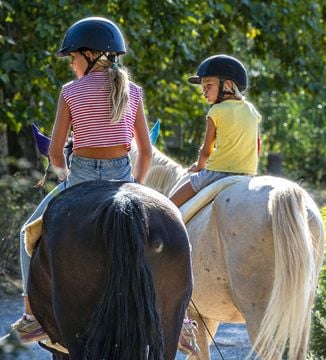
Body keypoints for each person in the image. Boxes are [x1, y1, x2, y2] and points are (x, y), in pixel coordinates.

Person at [11, 16, 152, 342]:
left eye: (73, 58)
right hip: (123, 180)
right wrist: (137, 186)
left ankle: (31, 315)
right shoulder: (133, 91)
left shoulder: (71, 92)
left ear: (89, 55)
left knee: (26, 234)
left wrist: (63, 179)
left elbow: (57, 152)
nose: (72, 66)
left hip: (82, 179)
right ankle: (183, 318)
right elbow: (145, 151)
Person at [170, 54, 261, 207]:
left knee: (168, 204)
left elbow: (206, 150)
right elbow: (256, 145)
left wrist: (198, 168)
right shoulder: (252, 110)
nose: (204, 91)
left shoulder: (216, 111)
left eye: (208, 85)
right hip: (248, 173)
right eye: (203, 87)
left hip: (217, 173)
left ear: (227, 85)